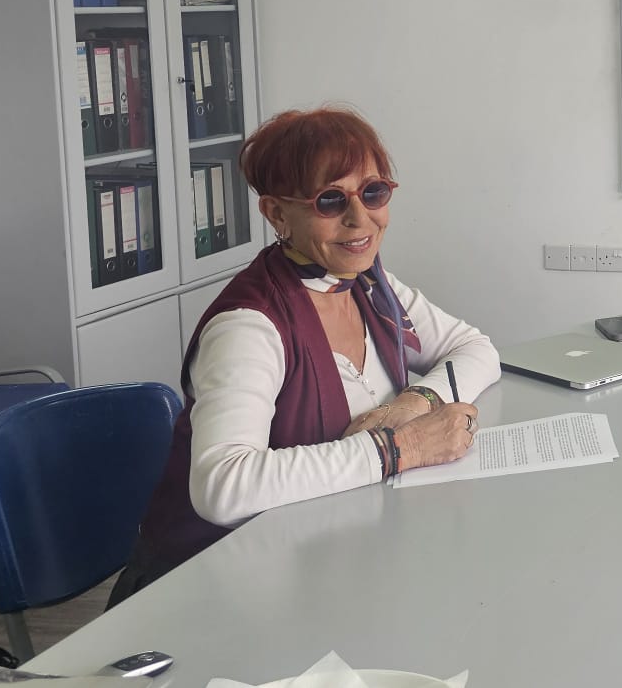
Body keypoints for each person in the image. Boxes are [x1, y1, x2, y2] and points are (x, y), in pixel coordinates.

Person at [112, 107, 498, 603]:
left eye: (373, 192)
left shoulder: (367, 283)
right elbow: (222, 487)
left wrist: (415, 402)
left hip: (331, 564)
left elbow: (476, 349)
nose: (360, 219)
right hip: (209, 589)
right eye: (329, 200)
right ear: (277, 214)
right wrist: (400, 448)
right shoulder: (249, 325)